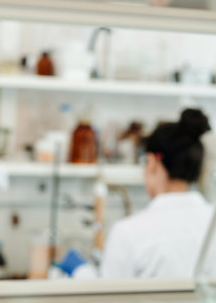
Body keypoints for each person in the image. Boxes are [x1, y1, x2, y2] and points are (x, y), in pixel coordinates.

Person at [58, 108, 214, 279]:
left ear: (153, 162)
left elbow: (109, 299)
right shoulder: (211, 223)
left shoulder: (128, 232)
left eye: (145, 162)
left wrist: (81, 271)